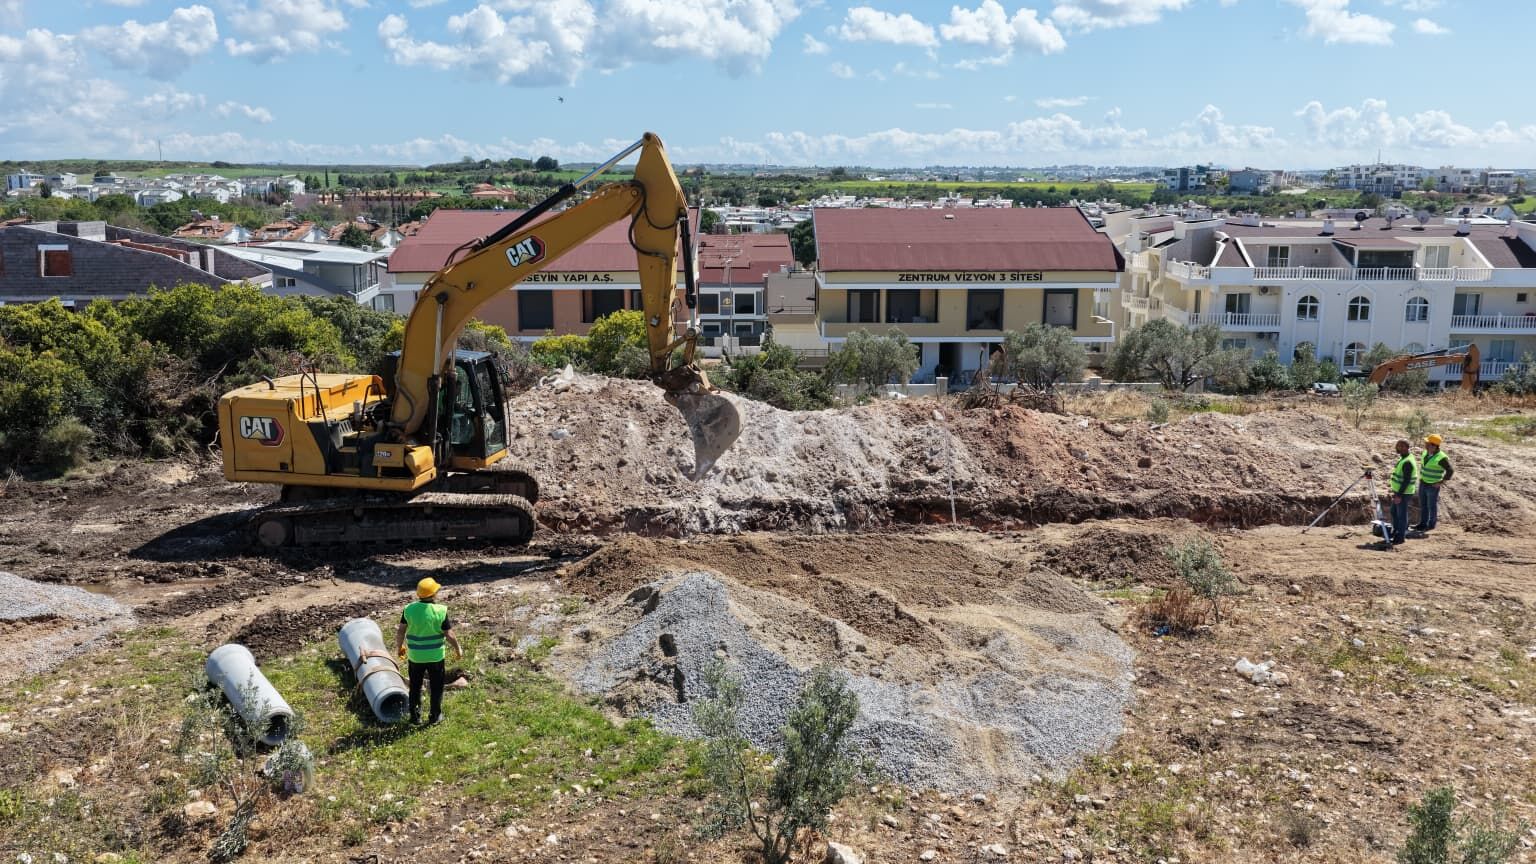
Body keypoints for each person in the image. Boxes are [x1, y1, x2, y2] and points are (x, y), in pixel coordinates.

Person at [394, 577, 462, 724]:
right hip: (435, 657)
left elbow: (400, 632)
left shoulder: (409, 609)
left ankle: (415, 717)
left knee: (415, 686)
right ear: (434, 594)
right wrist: (458, 648)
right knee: (436, 687)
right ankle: (435, 716)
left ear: (419, 594)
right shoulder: (440, 610)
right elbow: (449, 634)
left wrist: (399, 647)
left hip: (416, 657)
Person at [1412, 433, 1453, 532]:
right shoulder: (1425, 453)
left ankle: (1431, 525)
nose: (1425, 444)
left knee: (1431, 505)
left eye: (1427, 443)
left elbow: (1450, 471)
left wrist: (1441, 482)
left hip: (1432, 486)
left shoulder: (1441, 457)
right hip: (1423, 483)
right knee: (1423, 505)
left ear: (1433, 445)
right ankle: (1422, 524)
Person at [1386, 438, 1418, 549]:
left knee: (1401, 515)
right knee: (1394, 511)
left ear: (1406, 447)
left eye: (1400, 446)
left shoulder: (1407, 462)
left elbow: (1406, 480)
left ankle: (1400, 536)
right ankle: (1396, 531)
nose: (1397, 448)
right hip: (1400, 491)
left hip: (1404, 493)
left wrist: (1399, 495)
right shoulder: (1404, 458)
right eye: (1397, 445)